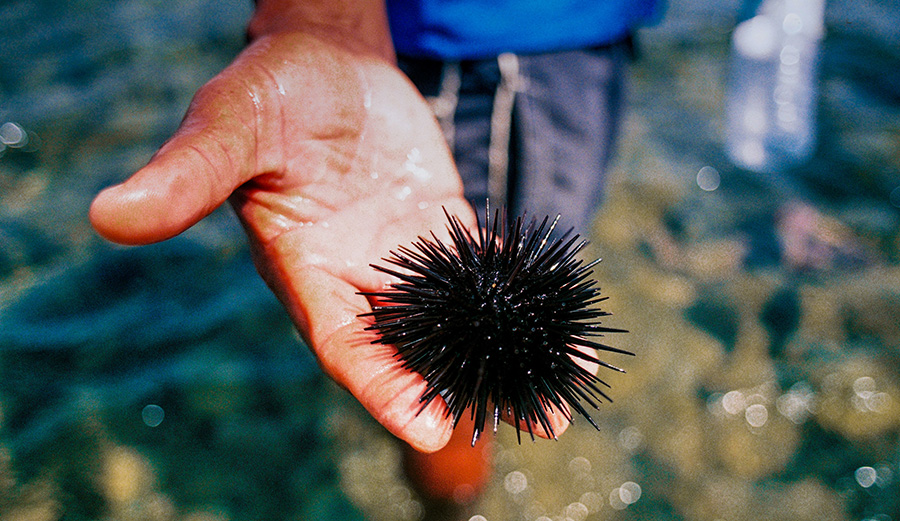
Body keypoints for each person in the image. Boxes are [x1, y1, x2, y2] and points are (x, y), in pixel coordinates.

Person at [89, 0, 659, 504]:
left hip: (582, 32)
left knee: (478, 348)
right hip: (481, 44)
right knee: (450, 395)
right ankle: (451, 504)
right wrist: (319, 21)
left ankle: (450, 499)